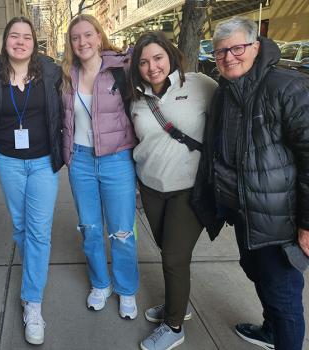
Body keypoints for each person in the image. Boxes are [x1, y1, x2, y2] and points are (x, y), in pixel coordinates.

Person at [192, 17, 309, 350]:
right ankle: (271, 331)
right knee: (259, 276)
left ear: (256, 47)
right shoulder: (225, 91)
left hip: (278, 219)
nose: (229, 57)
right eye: (221, 52)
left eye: (238, 48)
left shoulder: (285, 86)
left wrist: (307, 224)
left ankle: (281, 334)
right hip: (243, 213)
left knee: (284, 295)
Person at [128, 31, 217, 350]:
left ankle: (174, 325)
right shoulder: (136, 97)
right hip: (151, 188)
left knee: (175, 258)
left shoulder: (200, 85)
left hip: (190, 190)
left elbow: (228, 121)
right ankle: (176, 304)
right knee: (169, 253)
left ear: (170, 55)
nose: (152, 67)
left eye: (157, 58)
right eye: (143, 61)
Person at [0, 16, 63, 345]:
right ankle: (35, 274)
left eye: (26, 36)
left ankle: (32, 302)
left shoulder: (51, 73)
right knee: (21, 228)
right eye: (14, 35)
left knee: (39, 231)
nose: (20, 41)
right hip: (9, 161)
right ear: (5, 41)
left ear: (34, 42)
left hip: (43, 161)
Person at [61, 14, 139, 319]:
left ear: (99, 35)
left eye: (88, 35)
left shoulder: (121, 69)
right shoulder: (67, 75)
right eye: (76, 38)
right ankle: (100, 283)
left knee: (122, 231)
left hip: (116, 159)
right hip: (80, 160)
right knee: (90, 229)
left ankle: (126, 290)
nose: (82, 42)